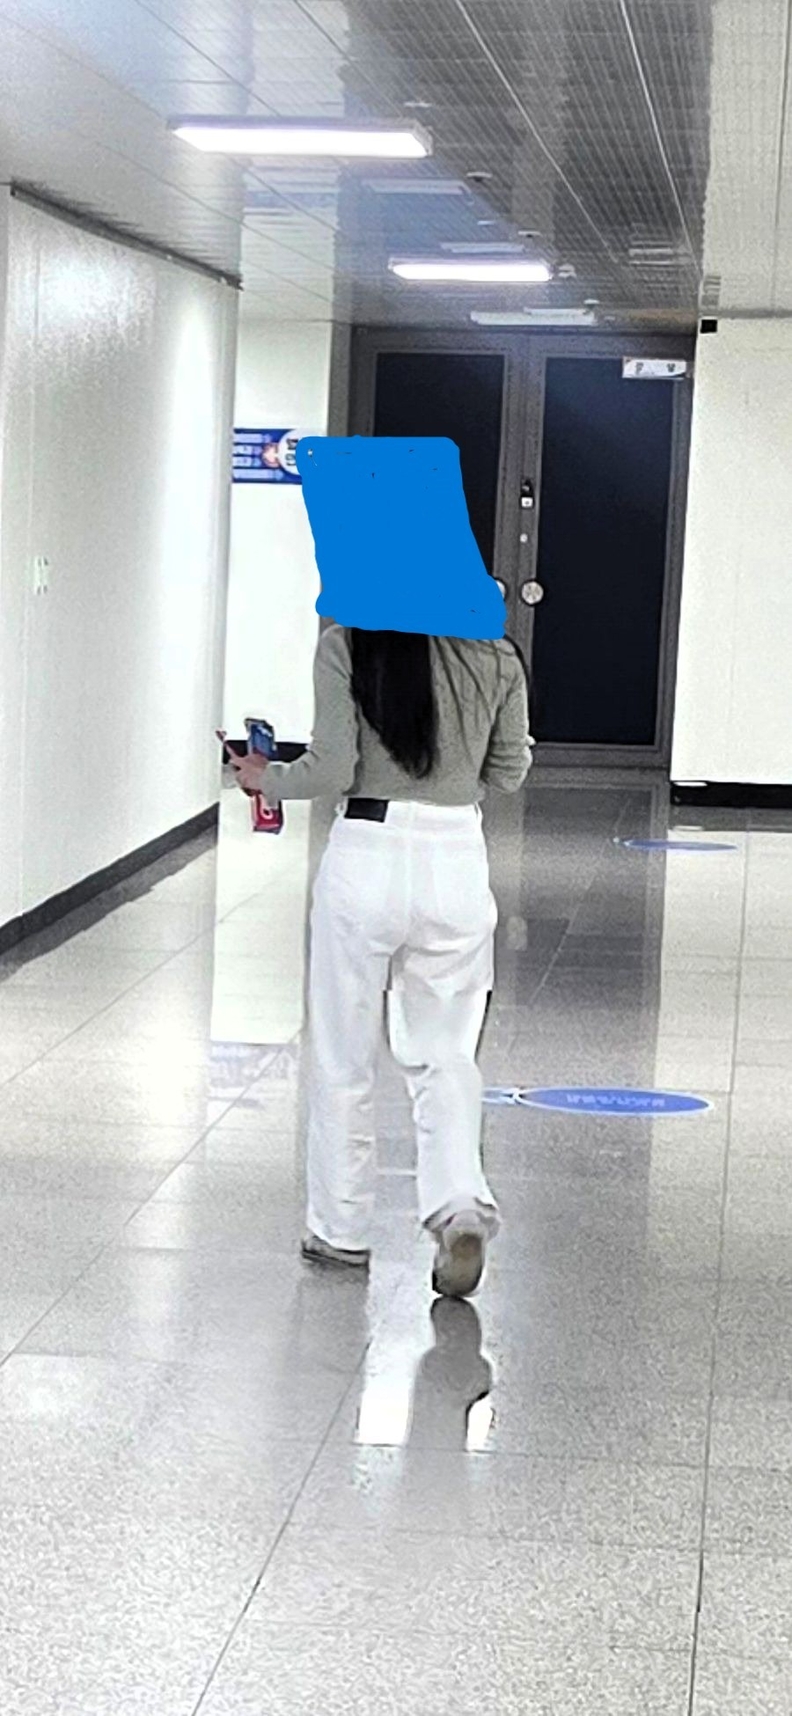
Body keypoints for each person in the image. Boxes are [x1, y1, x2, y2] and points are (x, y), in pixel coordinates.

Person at [229, 624, 531, 1298]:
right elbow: (508, 774)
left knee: (343, 1052)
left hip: (366, 852)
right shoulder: (495, 652)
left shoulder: (348, 644)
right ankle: (459, 1205)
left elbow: (332, 769)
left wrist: (263, 775)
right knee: (446, 1053)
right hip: (456, 857)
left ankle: (340, 1230)